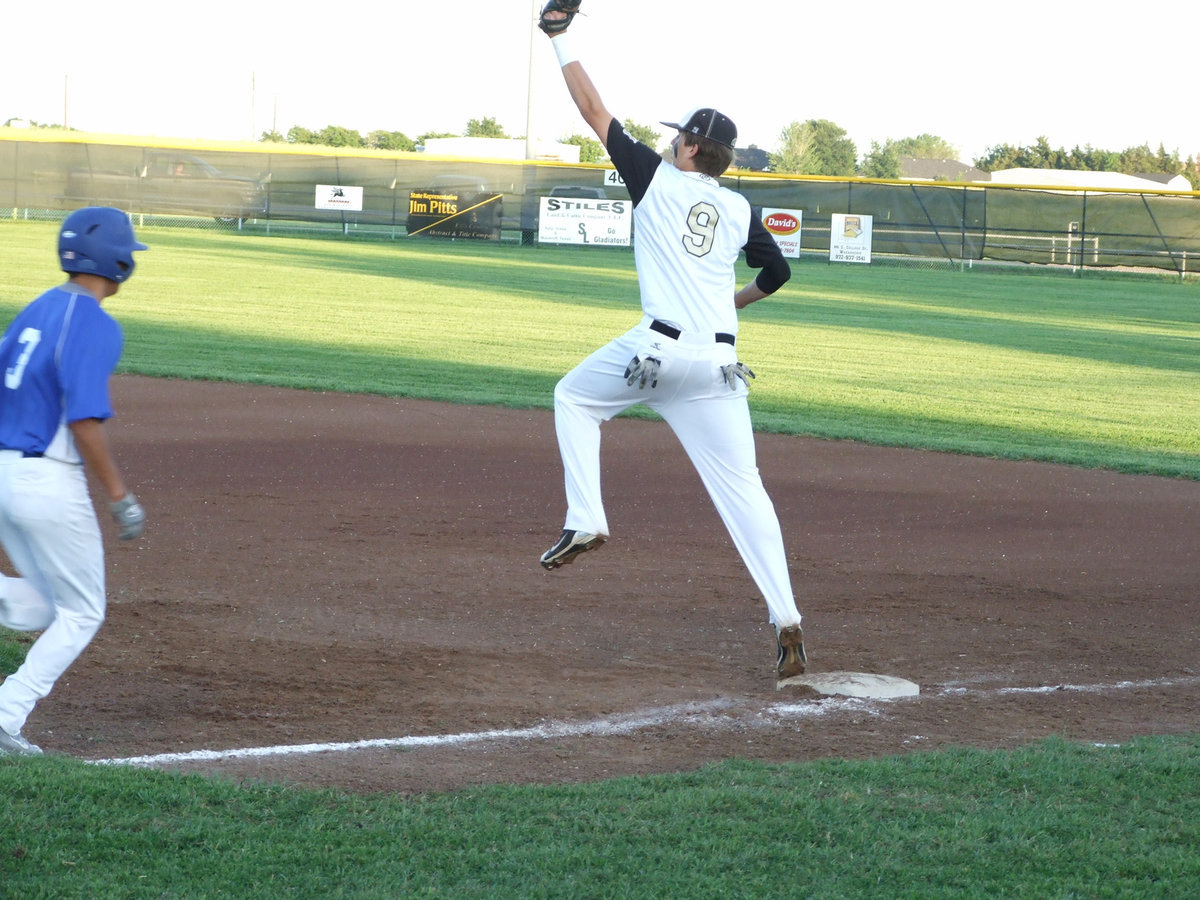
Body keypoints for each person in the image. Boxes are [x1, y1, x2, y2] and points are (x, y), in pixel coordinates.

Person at [535, 2, 807, 681]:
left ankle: (587, 516)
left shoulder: (654, 180)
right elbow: (777, 272)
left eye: (676, 136)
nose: (670, 143)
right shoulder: (740, 206)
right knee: (746, 492)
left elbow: (594, 108)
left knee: (574, 398)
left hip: (655, 355)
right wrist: (733, 303)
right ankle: (788, 620)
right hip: (719, 367)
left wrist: (560, 37)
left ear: (688, 147)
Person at [0, 206, 148, 756]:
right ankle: (5, 716)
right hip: (47, 480)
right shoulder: (93, 323)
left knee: (41, 606)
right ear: (116, 260)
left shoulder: (36, 309)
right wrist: (119, 498)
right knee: (83, 611)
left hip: (5, 471)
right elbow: (84, 419)